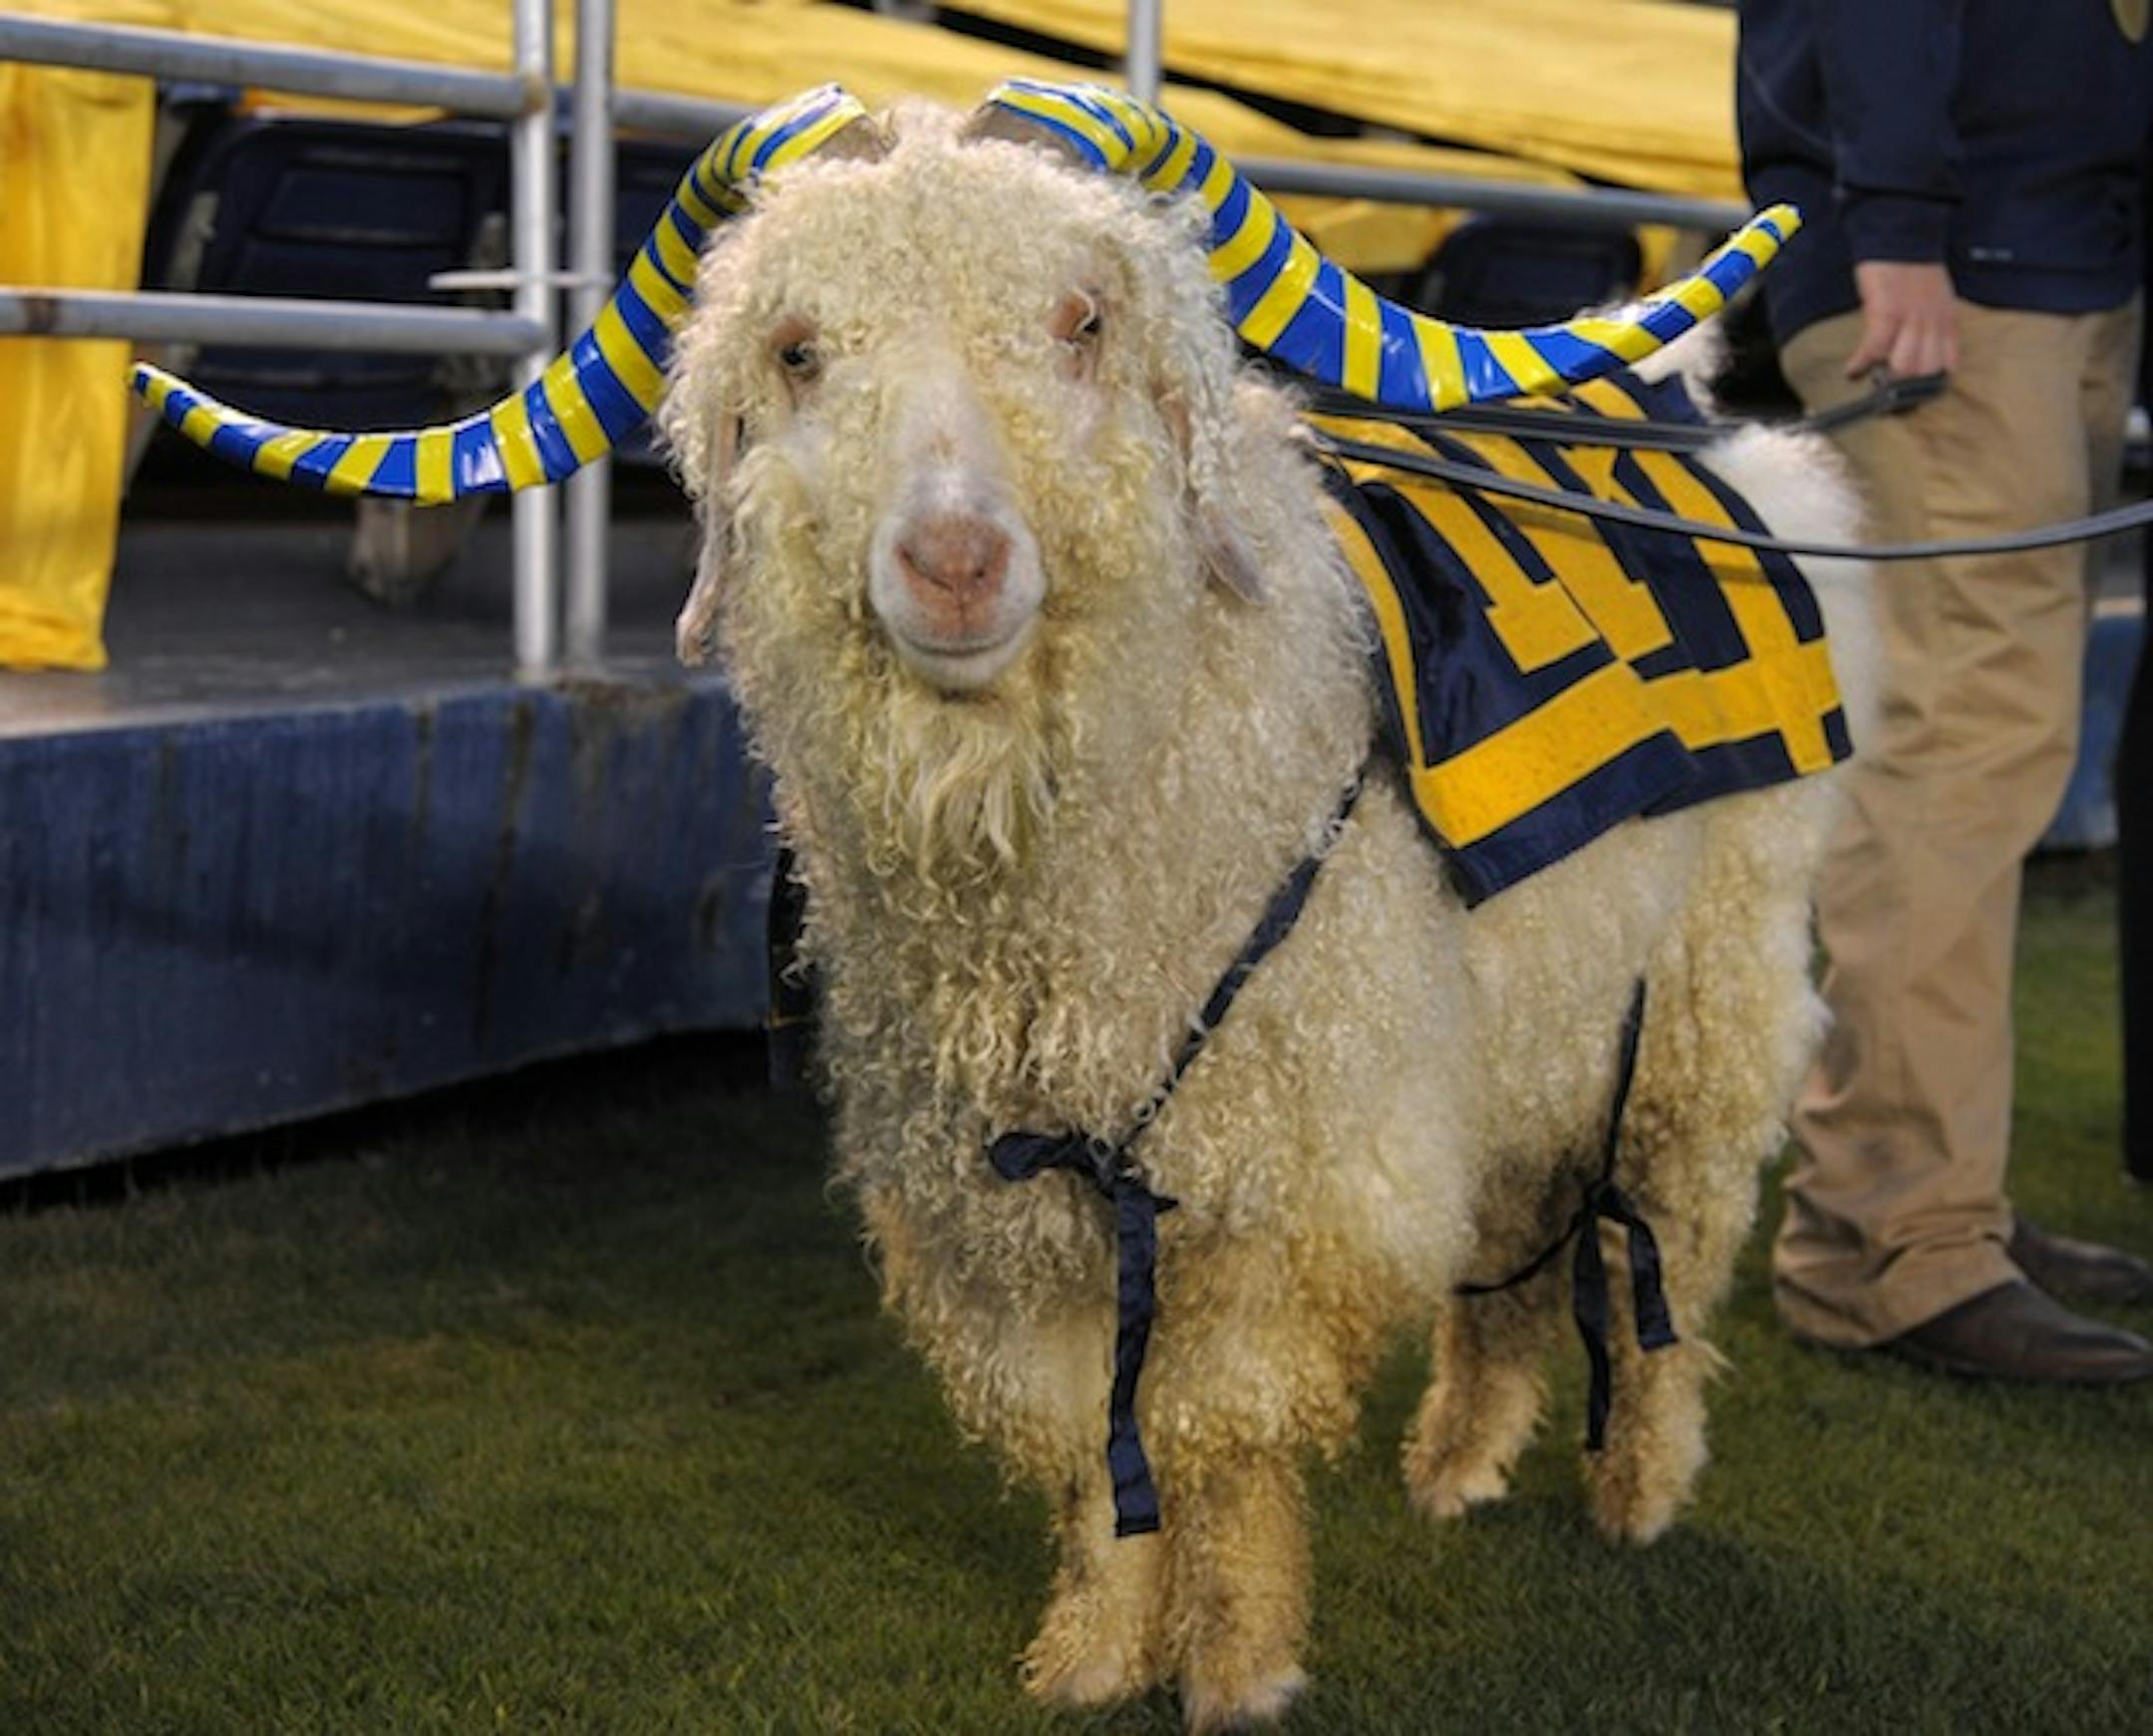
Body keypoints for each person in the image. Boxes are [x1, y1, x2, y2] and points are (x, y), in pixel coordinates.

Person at [1736, 0, 2153, 1381]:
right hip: (1952, 261)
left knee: (1990, 746)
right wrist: (1898, 222)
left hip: (2032, 250)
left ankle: (1937, 1198)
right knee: (1960, 747)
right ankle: (1889, 1241)